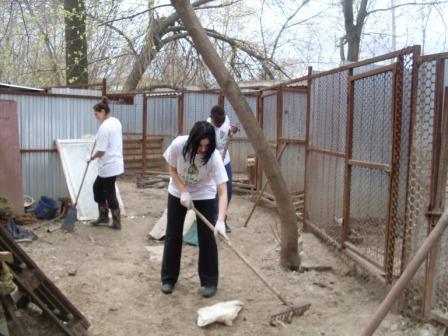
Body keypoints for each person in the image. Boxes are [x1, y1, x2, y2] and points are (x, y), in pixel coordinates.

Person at [161, 121, 229, 298]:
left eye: (207, 145)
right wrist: (183, 191)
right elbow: (172, 170)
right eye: (200, 145)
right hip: (178, 191)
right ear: (192, 140)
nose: (203, 149)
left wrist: (220, 221)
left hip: (204, 193)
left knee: (207, 237)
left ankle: (209, 281)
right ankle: (168, 278)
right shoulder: (178, 145)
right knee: (173, 234)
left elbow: (223, 191)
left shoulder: (213, 158)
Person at [88, 96, 124, 230]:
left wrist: (91, 157)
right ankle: (104, 217)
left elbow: (101, 151)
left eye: (96, 114)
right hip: (115, 162)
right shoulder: (116, 121)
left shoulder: (104, 127)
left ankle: (116, 221)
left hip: (108, 164)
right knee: (98, 188)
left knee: (109, 192)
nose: (95, 116)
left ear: (103, 111)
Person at [207, 105, 239, 232]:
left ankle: (222, 219)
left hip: (225, 160)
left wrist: (233, 130)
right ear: (212, 117)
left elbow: (227, 132)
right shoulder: (207, 126)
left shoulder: (226, 119)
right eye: (217, 121)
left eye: (222, 120)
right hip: (212, 161)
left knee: (228, 191)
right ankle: (214, 220)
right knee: (214, 192)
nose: (220, 123)